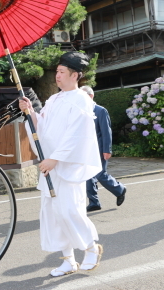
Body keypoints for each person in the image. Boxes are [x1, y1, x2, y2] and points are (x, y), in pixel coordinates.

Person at [19, 52, 103, 278]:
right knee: (54, 213)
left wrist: (55, 158)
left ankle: (91, 248)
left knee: (69, 210)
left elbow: (77, 135)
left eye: (62, 72)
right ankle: (68, 260)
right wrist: (30, 113)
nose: (57, 75)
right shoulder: (53, 99)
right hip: (50, 164)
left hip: (66, 166)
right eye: (57, 71)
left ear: (75, 75)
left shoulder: (82, 100)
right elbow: (42, 128)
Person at [80, 86, 127, 212]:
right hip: (86, 150)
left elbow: (106, 132)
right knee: (88, 176)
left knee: (100, 174)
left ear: (91, 96)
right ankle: (94, 202)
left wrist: (107, 149)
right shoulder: (81, 112)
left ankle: (119, 189)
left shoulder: (100, 111)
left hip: (99, 149)